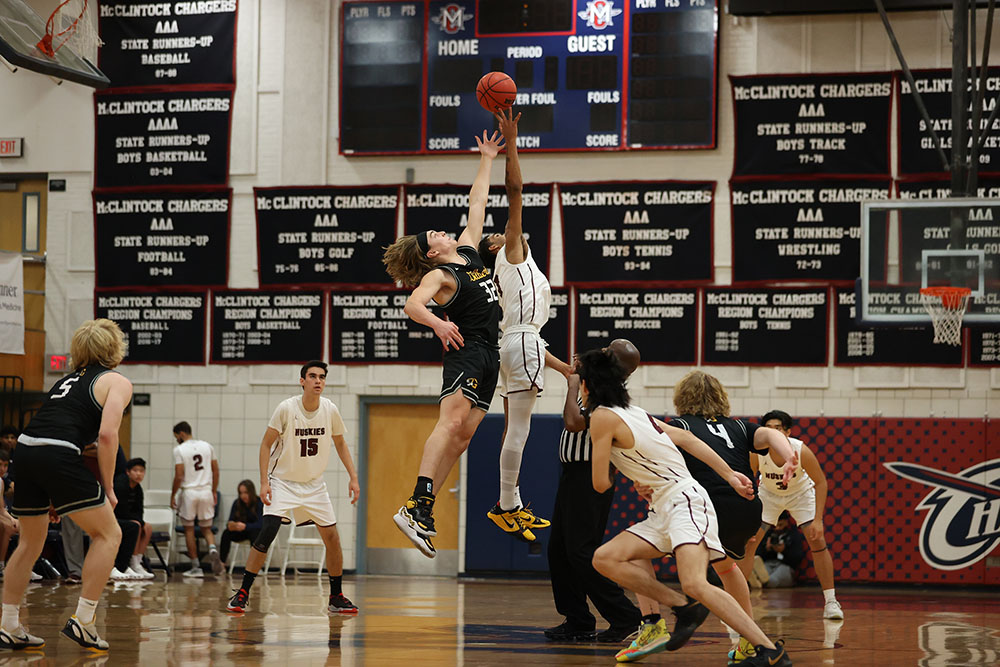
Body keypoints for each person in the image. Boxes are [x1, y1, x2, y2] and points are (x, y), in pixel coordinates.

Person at [576, 348, 792, 667]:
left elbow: (599, 484)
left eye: (580, 383)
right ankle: (671, 613)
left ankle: (767, 649)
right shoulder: (636, 412)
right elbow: (689, 442)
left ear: (587, 386)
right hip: (666, 507)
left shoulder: (601, 417)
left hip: (684, 501)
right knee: (607, 557)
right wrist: (731, 475)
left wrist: (618, 471)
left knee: (695, 583)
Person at [383, 129, 505, 559]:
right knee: (449, 425)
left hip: (490, 353)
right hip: (468, 349)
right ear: (431, 254)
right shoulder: (439, 276)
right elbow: (412, 304)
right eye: (432, 235)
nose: (439, 231)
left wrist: (488, 157)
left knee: (465, 436)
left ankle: (424, 508)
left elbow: (477, 202)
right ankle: (415, 501)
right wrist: (437, 323)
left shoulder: (469, 253)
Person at [634, 370, 797, 665]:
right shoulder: (738, 426)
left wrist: (642, 482)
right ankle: (750, 642)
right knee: (726, 566)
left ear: (682, 398)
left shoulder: (680, 425)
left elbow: (658, 461)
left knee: (632, 551)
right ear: (721, 398)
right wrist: (788, 457)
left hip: (705, 506)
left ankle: (652, 623)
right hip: (747, 509)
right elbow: (772, 434)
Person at [2, 318, 132, 652]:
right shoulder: (116, 381)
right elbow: (106, 435)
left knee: (29, 542)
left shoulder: (64, 380)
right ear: (114, 349)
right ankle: (84, 621)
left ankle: (8, 625)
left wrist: (55, 494)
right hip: (58, 454)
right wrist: (109, 488)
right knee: (110, 534)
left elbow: (51, 431)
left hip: (26, 451)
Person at [478, 109, 568, 541]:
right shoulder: (510, 252)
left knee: (514, 428)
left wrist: (564, 369)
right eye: (496, 235)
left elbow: (528, 338)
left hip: (516, 346)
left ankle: (507, 501)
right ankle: (507, 503)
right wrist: (512, 141)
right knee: (520, 429)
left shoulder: (517, 271)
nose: (505, 232)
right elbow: (515, 191)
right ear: (495, 248)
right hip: (521, 346)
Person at [226, 360, 361, 615]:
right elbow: (265, 445)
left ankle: (336, 596)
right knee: (268, 530)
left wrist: (353, 477)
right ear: (303, 381)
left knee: (332, 539)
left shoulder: (330, 409)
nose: (318, 381)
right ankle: (243, 592)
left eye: (322, 376)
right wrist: (264, 481)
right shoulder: (287, 408)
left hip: (314, 485)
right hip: (283, 482)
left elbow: (341, 444)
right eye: (312, 376)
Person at [545, 340, 641, 644]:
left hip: (590, 479)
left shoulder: (608, 399)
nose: (599, 352)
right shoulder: (596, 390)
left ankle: (626, 617)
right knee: (559, 551)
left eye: (606, 352)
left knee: (581, 552)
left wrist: (572, 383)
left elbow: (574, 422)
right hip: (573, 477)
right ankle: (577, 619)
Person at [741, 409, 843, 620]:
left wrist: (818, 520)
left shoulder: (800, 450)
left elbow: (821, 482)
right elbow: (749, 480)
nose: (772, 433)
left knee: (818, 541)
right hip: (769, 495)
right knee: (749, 543)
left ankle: (831, 602)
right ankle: (738, 604)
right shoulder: (757, 452)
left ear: (787, 431)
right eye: (768, 429)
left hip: (800, 494)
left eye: (777, 428)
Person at [171, 421, 222, 577]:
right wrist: (213, 491)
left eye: (176, 436)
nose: (176, 440)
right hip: (206, 491)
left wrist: (173, 494)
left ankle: (195, 567)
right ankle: (212, 548)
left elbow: (179, 475)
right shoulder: (207, 446)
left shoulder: (179, 449)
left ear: (181, 433)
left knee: (189, 529)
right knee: (206, 528)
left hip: (189, 493)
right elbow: (216, 471)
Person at [114, 458, 154, 578]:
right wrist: (137, 521)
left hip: (128, 518)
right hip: (116, 517)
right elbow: (121, 509)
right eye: (135, 470)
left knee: (147, 527)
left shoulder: (138, 489)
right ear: (128, 472)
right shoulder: (121, 484)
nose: (139, 474)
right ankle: (130, 563)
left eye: (141, 471)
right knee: (135, 526)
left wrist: (140, 521)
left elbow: (139, 510)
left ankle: (137, 562)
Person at [751, 512, 806, 588]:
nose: (777, 528)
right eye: (775, 525)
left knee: (772, 580)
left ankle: (758, 583)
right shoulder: (767, 533)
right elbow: (758, 553)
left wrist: (784, 550)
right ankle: (757, 580)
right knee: (763, 575)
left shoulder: (794, 534)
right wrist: (766, 549)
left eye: (780, 525)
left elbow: (797, 558)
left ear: (786, 522)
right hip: (769, 562)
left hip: (786, 566)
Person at [219, 480, 264, 568]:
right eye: (241, 493)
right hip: (241, 531)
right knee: (226, 533)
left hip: (254, 531)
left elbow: (261, 524)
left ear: (251, 492)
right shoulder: (237, 503)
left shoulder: (259, 503)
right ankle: (222, 563)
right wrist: (233, 525)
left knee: (254, 534)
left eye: (246, 492)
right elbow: (230, 521)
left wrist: (245, 526)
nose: (243, 496)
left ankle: (255, 566)